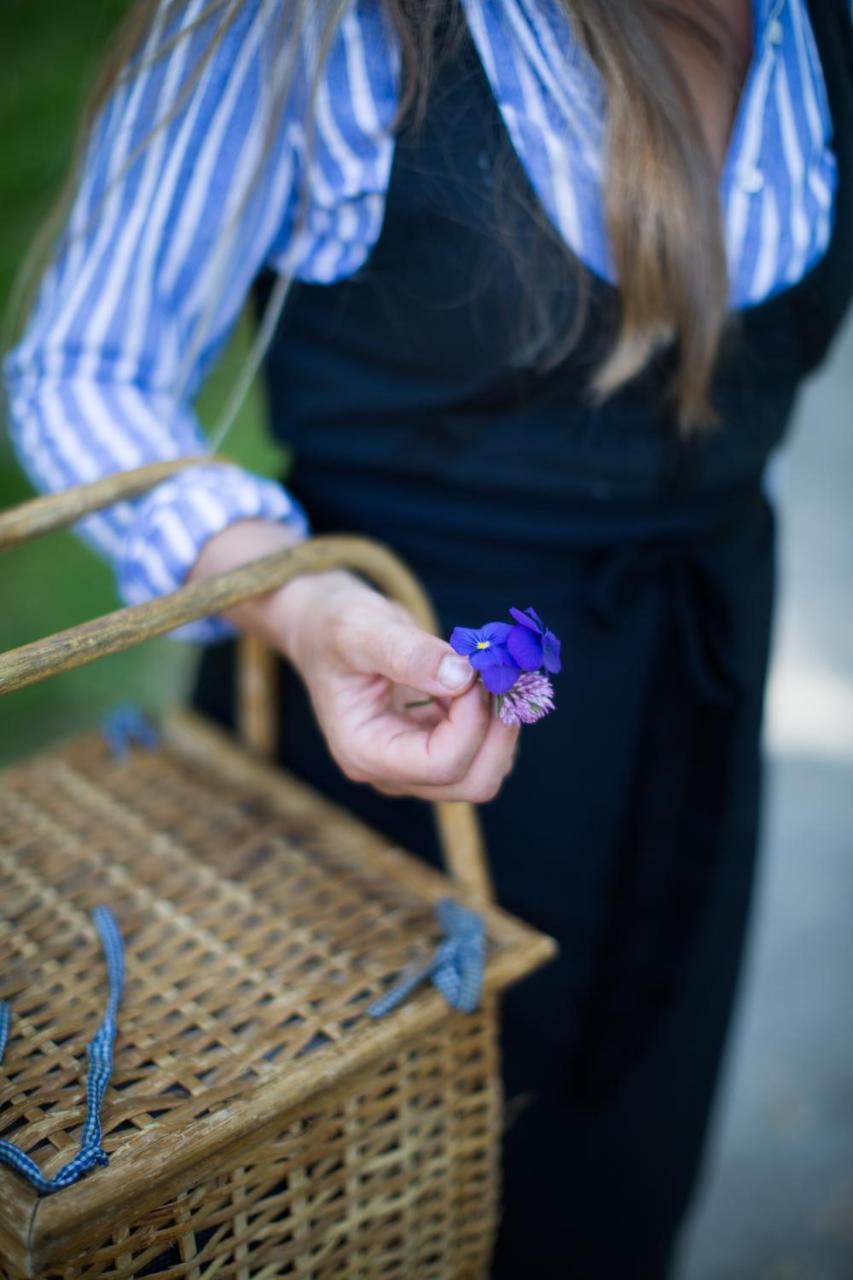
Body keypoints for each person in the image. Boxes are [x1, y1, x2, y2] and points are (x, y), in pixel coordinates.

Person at [4, 1, 852, 1275]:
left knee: (615, 1191)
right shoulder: (322, 24)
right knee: (361, 1213)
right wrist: (295, 598)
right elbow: (86, 368)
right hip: (380, 722)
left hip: (691, 701)